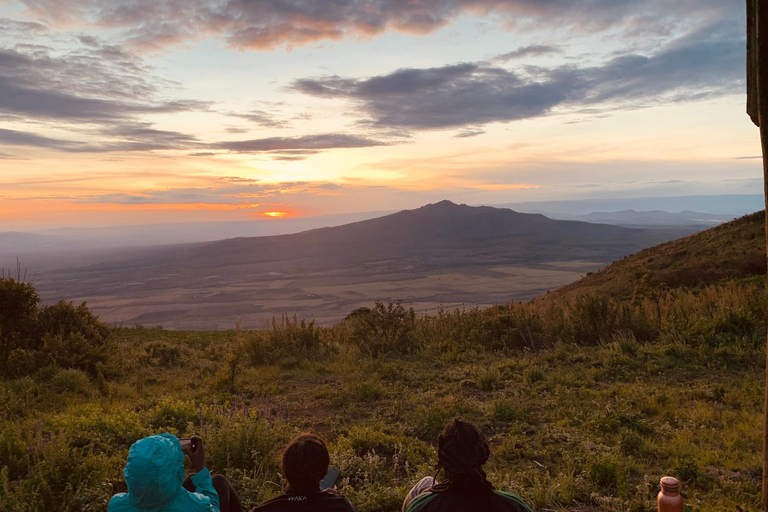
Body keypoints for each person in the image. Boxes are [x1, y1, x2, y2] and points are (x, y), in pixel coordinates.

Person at [402, 419, 534, 512]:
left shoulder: (421, 506)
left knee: (426, 482)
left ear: (443, 459)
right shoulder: (513, 505)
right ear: (483, 455)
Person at [108, 434, 242, 512]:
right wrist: (201, 469)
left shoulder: (116, 506)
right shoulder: (199, 507)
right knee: (219, 481)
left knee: (190, 480)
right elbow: (213, 507)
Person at [253, 433, 357, 512]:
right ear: (324, 471)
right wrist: (326, 499)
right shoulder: (339, 506)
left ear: (284, 469)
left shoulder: (264, 509)